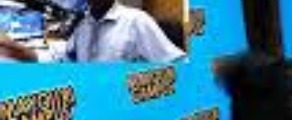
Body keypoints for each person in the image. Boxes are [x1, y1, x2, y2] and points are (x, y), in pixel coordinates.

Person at [0, 0, 184, 62]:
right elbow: (63, 57)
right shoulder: (83, 26)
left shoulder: (136, 21)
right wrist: (19, 51)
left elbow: (175, 61)